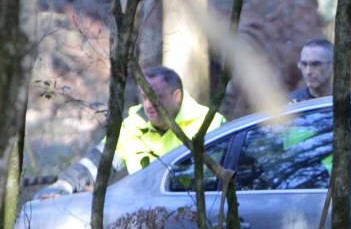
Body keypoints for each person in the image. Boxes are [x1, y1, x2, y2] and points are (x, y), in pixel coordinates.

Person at [35, 66, 225, 198]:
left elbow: (215, 181)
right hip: (142, 219)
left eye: (156, 97)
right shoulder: (132, 127)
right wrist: (63, 186)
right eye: (145, 97)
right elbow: (98, 161)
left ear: (177, 97)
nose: (149, 105)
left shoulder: (210, 124)